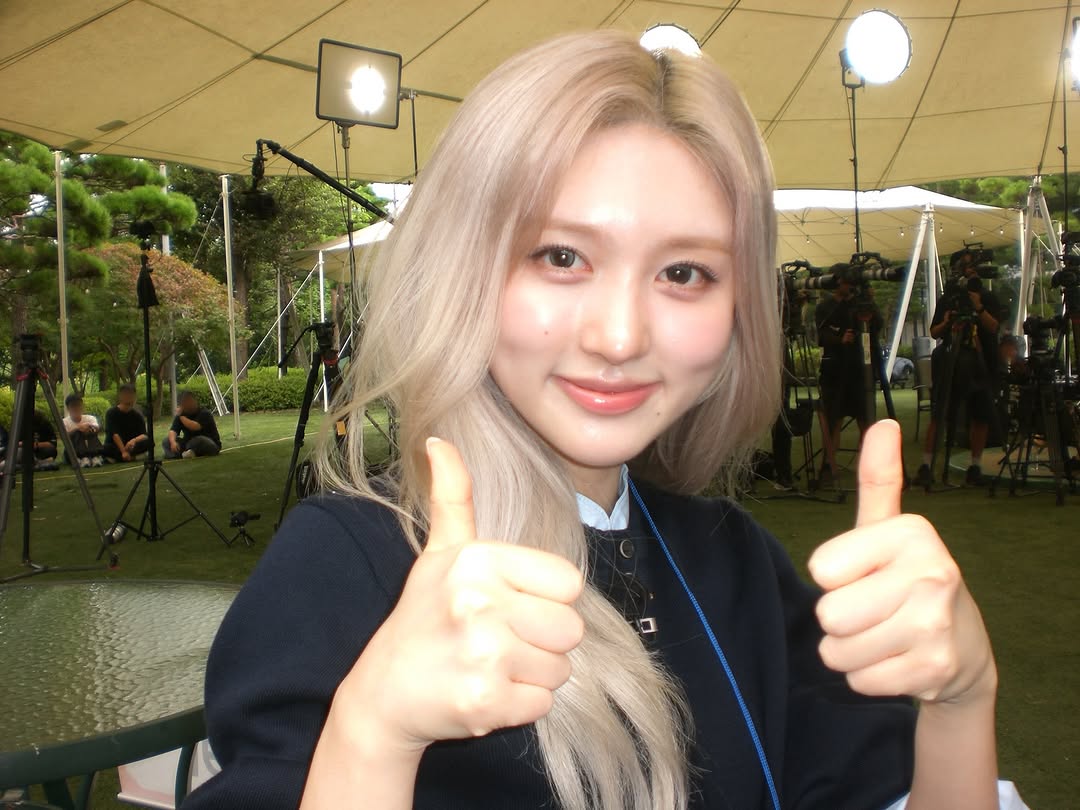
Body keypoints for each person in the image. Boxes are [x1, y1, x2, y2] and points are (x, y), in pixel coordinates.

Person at [184, 31, 1022, 810]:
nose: (619, 337)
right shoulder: (347, 567)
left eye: (685, 272)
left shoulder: (736, 565)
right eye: (561, 257)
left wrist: (961, 701)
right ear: (464, 268)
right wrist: (372, 735)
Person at [915, 249, 1005, 487]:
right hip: (951, 362)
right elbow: (934, 332)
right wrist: (947, 323)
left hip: (981, 361)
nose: (972, 270)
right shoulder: (949, 298)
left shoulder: (987, 297)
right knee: (941, 413)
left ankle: (975, 466)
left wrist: (979, 307)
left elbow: (994, 327)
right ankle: (926, 466)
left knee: (981, 415)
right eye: (966, 266)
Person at [814, 272, 883, 484]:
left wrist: (870, 302)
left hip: (861, 370)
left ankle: (867, 467)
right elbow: (821, 334)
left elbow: (876, 326)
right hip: (835, 370)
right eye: (847, 282)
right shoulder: (826, 306)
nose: (850, 286)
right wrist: (839, 339)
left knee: (866, 419)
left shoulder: (862, 304)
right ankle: (829, 466)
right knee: (833, 419)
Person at [163, 391, 221, 459]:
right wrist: (173, 442)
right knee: (167, 441)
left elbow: (195, 427)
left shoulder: (204, 413)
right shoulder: (181, 415)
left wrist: (181, 416)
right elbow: (173, 430)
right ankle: (181, 454)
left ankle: (184, 453)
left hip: (209, 443)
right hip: (188, 444)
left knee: (199, 439)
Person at [102, 384, 151, 463]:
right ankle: (131, 457)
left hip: (131, 446)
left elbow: (144, 435)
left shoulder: (137, 415)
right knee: (105, 448)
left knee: (149, 442)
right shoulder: (111, 413)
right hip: (116, 446)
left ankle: (122, 458)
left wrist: (134, 441)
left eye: (131, 395)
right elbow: (114, 435)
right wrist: (123, 451)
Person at [62, 393, 105, 467]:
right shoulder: (64, 422)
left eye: (78, 405)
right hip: (73, 450)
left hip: (90, 445)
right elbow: (64, 436)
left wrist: (88, 426)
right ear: (68, 408)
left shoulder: (90, 418)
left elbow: (97, 428)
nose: (76, 408)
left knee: (90, 431)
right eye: (73, 406)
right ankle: (82, 458)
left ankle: (95, 456)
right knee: (77, 432)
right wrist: (78, 428)